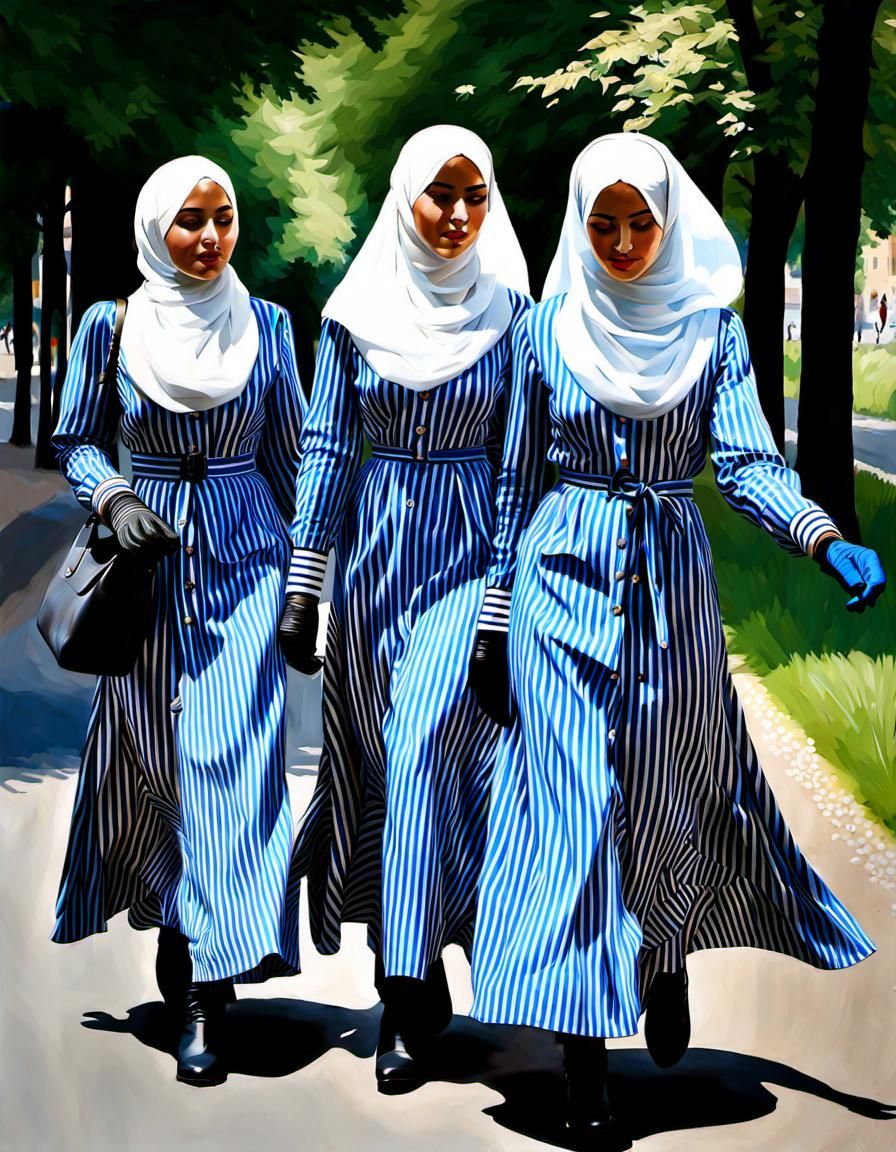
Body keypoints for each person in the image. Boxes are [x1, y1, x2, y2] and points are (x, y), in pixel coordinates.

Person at [467, 133, 886, 1138]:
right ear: (578, 223)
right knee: (573, 812)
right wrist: (490, 619)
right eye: (601, 223)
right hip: (555, 582)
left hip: (671, 596)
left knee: (656, 800)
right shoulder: (542, 332)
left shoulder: (711, 333)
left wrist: (820, 536)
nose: (618, 241)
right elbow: (511, 482)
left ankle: (660, 958)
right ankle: (580, 1065)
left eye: (638, 222)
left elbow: (742, 464)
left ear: (667, 220)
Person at [278, 125, 530, 1094]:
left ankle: (403, 992)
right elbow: (327, 448)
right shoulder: (351, 315)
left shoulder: (514, 319)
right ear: (402, 198)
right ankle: (413, 970)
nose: (457, 214)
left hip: (471, 549)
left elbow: (519, 467)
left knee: (431, 747)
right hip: (376, 558)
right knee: (387, 768)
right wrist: (305, 586)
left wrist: (503, 599)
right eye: (438, 195)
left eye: (474, 194)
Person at [52, 156, 307, 1087]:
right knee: (156, 759)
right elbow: (75, 438)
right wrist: (112, 493)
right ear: (157, 227)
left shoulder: (270, 328)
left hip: (246, 558)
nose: (207, 238)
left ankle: (207, 989)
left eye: (223, 219)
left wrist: (309, 584)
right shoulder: (109, 326)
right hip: (143, 570)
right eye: (189, 220)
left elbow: (295, 456)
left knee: (230, 763)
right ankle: (176, 928)